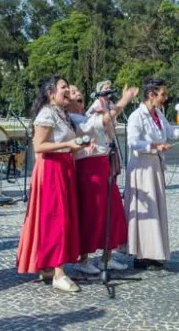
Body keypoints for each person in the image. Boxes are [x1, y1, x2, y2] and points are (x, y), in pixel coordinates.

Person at [16, 75, 91, 293]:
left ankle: (49, 265)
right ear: (51, 93)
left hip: (64, 166)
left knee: (60, 217)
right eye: (63, 87)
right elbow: (39, 146)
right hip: (51, 169)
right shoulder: (47, 113)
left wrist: (77, 147)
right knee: (57, 218)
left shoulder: (63, 114)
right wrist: (68, 143)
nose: (67, 90)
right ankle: (58, 272)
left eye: (68, 86)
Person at [125, 77, 179, 270]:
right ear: (151, 95)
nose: (166, 98)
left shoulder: (158, 114)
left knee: (156, 209)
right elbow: (133, 142)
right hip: (142, 168)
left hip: (155, 166)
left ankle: (154, 252)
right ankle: (141, 254)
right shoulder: (136, 116)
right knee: (144, 212)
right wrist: (154, 146)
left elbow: (171, 134)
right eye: (162, 94)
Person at [67, 84, 138, 274]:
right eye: (73, 93)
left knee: (111, 211)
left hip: (101, 164)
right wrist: (125, 100)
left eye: (77, 90)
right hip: (89, 167)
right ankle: (83, 258)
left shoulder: (84, 116)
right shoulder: (74, 119)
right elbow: (102, 121)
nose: (78, 93)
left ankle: (107, 256)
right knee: (91, 213)